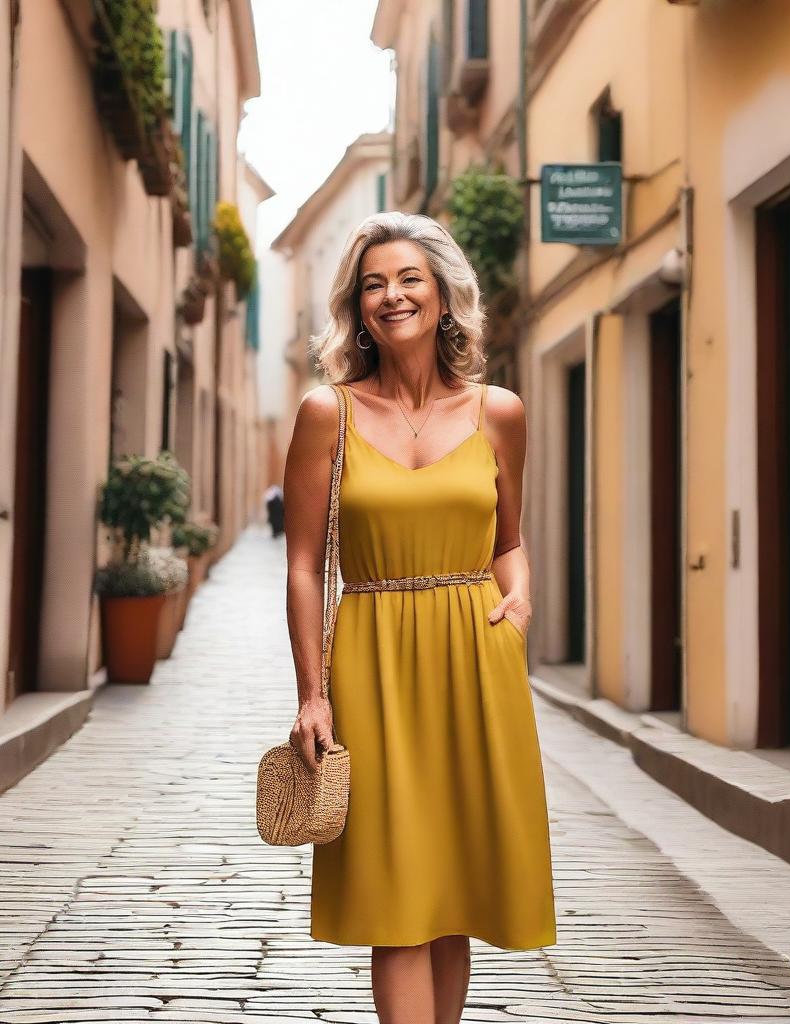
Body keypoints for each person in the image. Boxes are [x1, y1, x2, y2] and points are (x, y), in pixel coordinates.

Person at [282, 212, 556, 1024]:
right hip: (371, 658)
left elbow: (508, 541)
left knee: (455, 888)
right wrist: (312, 693)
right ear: (357, 307)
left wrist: (521, 594)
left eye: (409, 280)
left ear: (443, 297)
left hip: (477, 656)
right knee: (398, 891)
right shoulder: (325, 413)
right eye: (373, 283)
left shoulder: (498, 411)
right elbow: (303, 564)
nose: (391, 295)